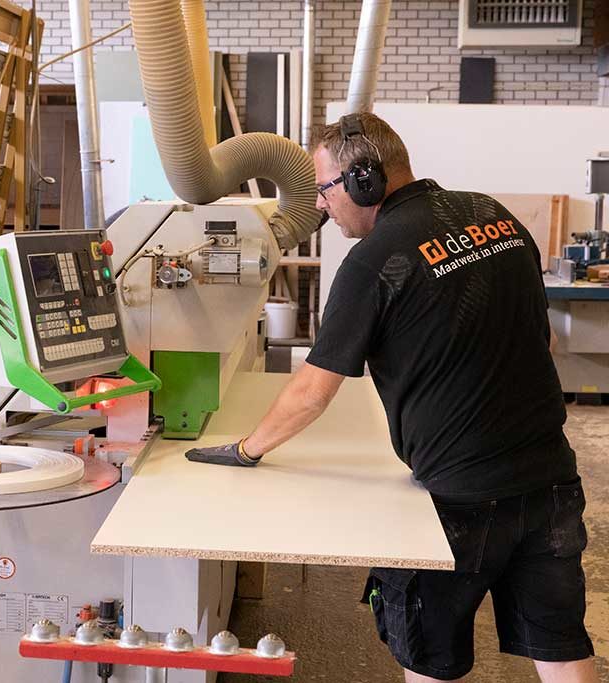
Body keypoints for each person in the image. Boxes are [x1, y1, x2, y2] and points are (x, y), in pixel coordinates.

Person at [185, 112, 596, 683]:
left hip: (455, 502)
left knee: (431, 660)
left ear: (364, 183)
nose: (321, 205)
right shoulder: (492, 215)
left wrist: (246, 450)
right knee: (560, 647)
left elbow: (310, 393)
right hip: (549, 479)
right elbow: (542, 338)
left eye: (325, 189)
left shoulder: (375, 260)